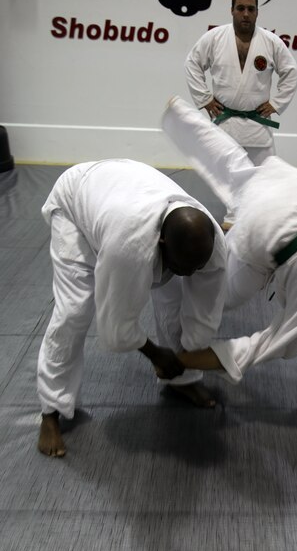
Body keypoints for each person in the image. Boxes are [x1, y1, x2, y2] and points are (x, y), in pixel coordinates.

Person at [162, 97, 297, 392]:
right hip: (268, 229)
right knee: (217, 294)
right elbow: (247, 352)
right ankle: (183, 354)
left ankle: (179, 114)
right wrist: (179, 360)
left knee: (237, 170)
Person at [37, 159, 227, 458]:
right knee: (73, 311)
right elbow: (114, 328)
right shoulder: (129, 248)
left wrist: (191, 355)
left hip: (121, 187)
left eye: (197, 265)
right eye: (182, 264)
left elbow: (205, 307)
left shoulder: (211, 244)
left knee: (176, 298)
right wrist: (156, 353)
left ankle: (180, 380)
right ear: (161, 243)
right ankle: (50, 411)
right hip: (76, 201)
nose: (190, 273)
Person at [184, 0, 297, 229]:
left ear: (257, 13)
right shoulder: (215, 38)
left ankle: (264, 217)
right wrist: (204, 98)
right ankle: (234, 216)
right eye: (241, 9)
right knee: (231, 175)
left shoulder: (270, 42)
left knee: (266, 175)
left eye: (250, 9)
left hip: (257, 121)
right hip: (226, 119)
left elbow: (291, 72)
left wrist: (276, 103)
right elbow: (192, 63)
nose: (245, 14)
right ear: (232, 11)